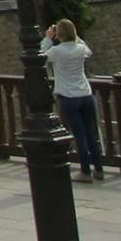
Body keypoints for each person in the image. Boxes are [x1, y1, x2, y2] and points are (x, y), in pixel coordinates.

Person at [39, 20, 103, 182]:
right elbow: (88, 51)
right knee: (90, 134)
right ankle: (99, 169)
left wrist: (47, 37)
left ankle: (85, 172)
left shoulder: (56, 51)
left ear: (58, 34)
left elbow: (39, 56)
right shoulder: (81, 49)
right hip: (86, 94)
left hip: (68, 96)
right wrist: (75, 35)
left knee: (79, 135)